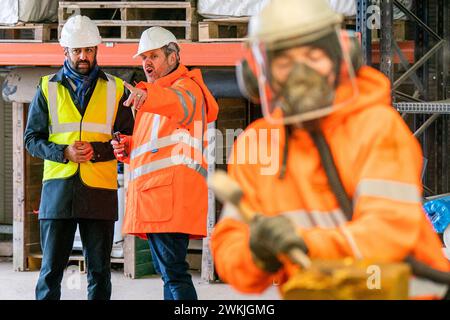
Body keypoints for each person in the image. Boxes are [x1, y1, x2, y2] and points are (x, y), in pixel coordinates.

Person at [210, 0, 450, 299]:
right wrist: (256, 253)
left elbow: (386, 237)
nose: (302, 73)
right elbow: (231, 254)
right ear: (258, 74)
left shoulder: (377, 128)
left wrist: (303, 243)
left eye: (314, 55)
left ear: (340, 58)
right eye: (285, 62)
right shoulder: (256, 144)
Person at [24, 15, 134, 300]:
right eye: (77, 50)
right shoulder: (46, 88)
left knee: (99, 272)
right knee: (51, 271)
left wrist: (97, 151)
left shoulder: (116, 88)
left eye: (88, 49)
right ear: (66, 52)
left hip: (99, 192)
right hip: (58, 192)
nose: (83, 56)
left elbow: (128, 140)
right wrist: (64, 152)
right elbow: (31, 140)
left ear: (97, 50)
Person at [111, 26, 218, 300]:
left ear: (172, 57)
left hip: (169, 201)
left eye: (154, 56)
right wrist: (128, 146)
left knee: (174, 274)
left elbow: (177, 103)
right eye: (143, 57)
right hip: (159, 200)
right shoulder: (157, 97)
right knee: (170, 274)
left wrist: (146, 95)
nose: (146, 63)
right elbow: (158, 145)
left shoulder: (187, 89)